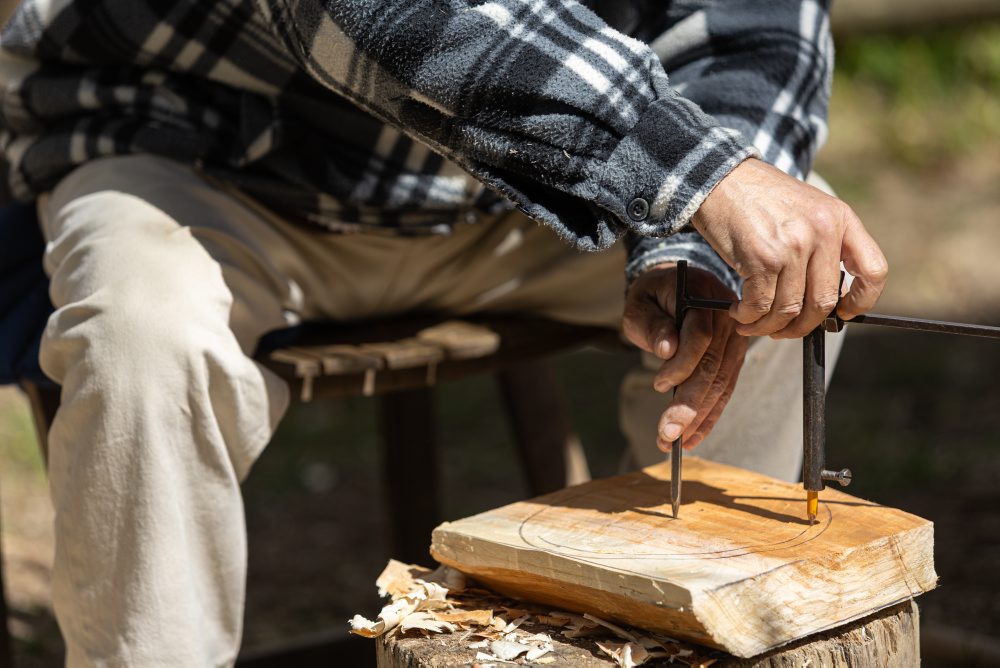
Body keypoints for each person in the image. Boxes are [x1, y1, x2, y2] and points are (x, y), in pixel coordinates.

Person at [0, 0, 887, 664]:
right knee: (143, 340)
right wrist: (704, 175)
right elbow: (394, 15)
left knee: (787, 281)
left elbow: (752, 31)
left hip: (509, 193)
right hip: (212, 161)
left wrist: (693, 234)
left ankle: (714, 639)